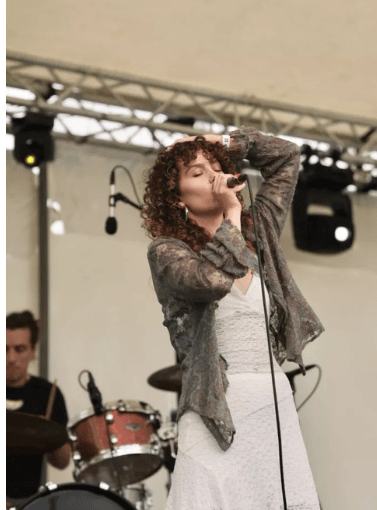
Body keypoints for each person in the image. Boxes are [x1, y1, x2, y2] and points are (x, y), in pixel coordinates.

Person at [142, 127, 324, 509]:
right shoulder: (167, 252)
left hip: (272, 401)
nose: (213, 175)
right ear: (176, 198)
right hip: (216, 408)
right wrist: (233, 214)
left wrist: (221, 142)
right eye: (197, 172)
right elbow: (211, 280)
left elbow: (287, 156)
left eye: (216, 167)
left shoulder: (260, 234)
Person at [6, 311, 71, 507]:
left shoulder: (48, 393)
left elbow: (62, 463)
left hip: (30, 501)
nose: (11, 358)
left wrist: (49, 435)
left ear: (33, 350)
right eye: (4, 349)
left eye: (20, 349)